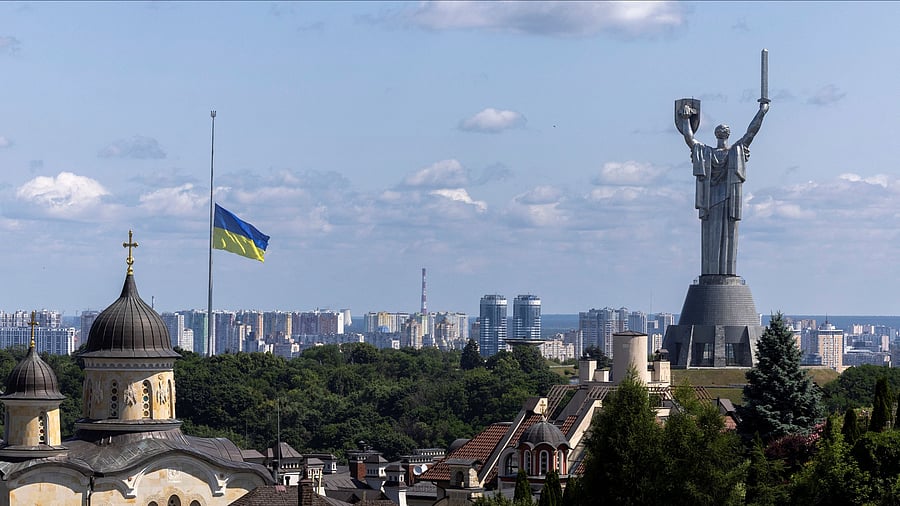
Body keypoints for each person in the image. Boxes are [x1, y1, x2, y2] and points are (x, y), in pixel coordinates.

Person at [679, 100, 769, 276]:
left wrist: (686, 120)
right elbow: (752, 132)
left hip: (713, 199)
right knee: (728, 236)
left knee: (711, 236)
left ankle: (712, 273)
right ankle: (726, 273)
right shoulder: (735, 151)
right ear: (728, 135)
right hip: (727, 198)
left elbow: (689, 139)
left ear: (717, 135)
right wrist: (762, 112)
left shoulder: (705, 152)